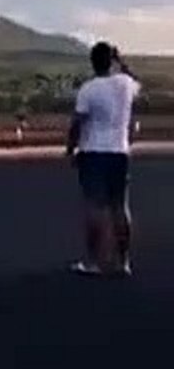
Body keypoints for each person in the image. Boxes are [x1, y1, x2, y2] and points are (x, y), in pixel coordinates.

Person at [66, 41, 141, 277]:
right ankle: (123, 261)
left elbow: (77, 123)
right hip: (119, 151)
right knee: (120, 206)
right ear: (112, 61)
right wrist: (121, 60)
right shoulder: (125, 84)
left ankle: (93, 262)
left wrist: (70, 149)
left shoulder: (88, 89)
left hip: (93, 152)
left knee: (95, 207)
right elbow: (136, 80)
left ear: (92, 62)